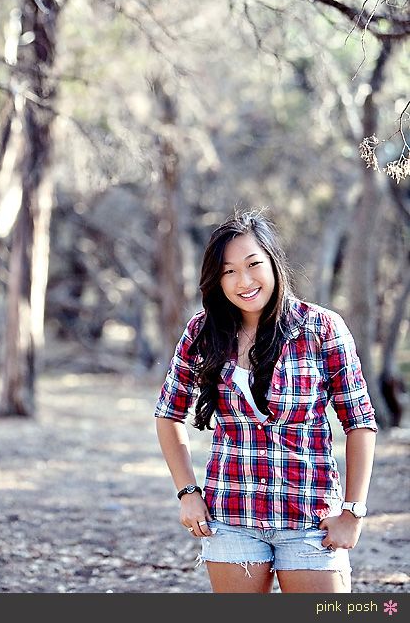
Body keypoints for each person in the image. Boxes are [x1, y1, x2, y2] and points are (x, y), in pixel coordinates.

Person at [154, 208, 377, 594]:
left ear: (273, 262)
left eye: (253, 264)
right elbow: (169, 414)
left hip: (310, 518)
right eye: (228, 271)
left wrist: (353, 511)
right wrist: (188, 493)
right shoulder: (202, 331)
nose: (244, 281)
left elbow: (359, 421)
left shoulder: (321, 328)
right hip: (230, 517)